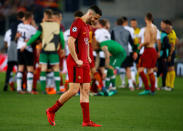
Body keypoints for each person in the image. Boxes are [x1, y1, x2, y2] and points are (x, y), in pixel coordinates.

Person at [46, 5, 102, 127]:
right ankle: (51, 110)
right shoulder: (78, 23)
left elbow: (86, 43)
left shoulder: (87, 26)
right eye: (95, 18)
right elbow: (70, 41)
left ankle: (86, 121)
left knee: (86, 90)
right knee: (73, 90)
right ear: (90, 14)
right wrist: (77, 59)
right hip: (75, 62)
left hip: (84, 62)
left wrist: (87, 56)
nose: (95, 21)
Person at [25, 9, 65, 94]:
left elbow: (36, 36)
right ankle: (57, 89)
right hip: (54, 51)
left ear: (46, 16)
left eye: (44, 15)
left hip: (44, 51)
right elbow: (61, 38)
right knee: (56, 70)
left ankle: (44, 90)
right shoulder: (57, 26)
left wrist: (26, 44)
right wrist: (63, 48)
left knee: (43, 69)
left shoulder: (42, 25)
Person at [95, 19, 127, 96]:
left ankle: (112, 88)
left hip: (119, 54)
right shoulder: (106, 32)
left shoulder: (102, 44)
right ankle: (107, 88)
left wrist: (106, 68)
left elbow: (107, 55)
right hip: (114, 53)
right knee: (109, 69)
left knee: (110, 69)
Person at [111, 17, 138, 91]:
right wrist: (135, 51)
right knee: (128, 69)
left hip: (117, 52)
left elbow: (112, 42)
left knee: (113, 68)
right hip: (126, 52)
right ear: (123, 23)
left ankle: (111, 85)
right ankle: (131, 86)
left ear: (116, 23)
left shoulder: (113, 31)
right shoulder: (127, 31)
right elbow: (132, 43)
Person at [16, 12, 37, 94]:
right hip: (27, 49)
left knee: (20, 68)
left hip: (19, 47)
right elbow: (35, 38)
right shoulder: (32, 28)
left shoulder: (19, 26)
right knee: (30, 69)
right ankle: (29, 89)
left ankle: (19, 89)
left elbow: (17, 36)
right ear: (30, 19)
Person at [138, 13, 157, 96]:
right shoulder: (155, 27)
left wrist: (140, 45)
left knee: (140, 70)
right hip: (153, 50)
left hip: (148, 50)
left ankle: (147, 89)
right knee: (150, 71)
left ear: (146, 19)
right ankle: (152, 90)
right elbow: (155, 40)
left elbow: (147, 41)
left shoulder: (148, 27)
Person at [165, 20, 178, 91]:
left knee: (171, 68)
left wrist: (170, 55)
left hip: (171, 52)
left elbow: (172, 46)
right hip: (168, 52)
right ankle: (168, 85)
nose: (167, 29)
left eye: (168, 28)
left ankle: (170, 85)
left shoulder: (172, 34)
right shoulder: (169, 33)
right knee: (168, 68)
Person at [157, 20, 170, 89]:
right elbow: (166, 46)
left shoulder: (161, 34)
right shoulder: (164, 35)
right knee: (163, 70)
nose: (161, 25)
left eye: (162, 24)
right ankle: (163, 85)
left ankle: (157, 85)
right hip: (163, 55)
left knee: (159, 70)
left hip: (160, 54)